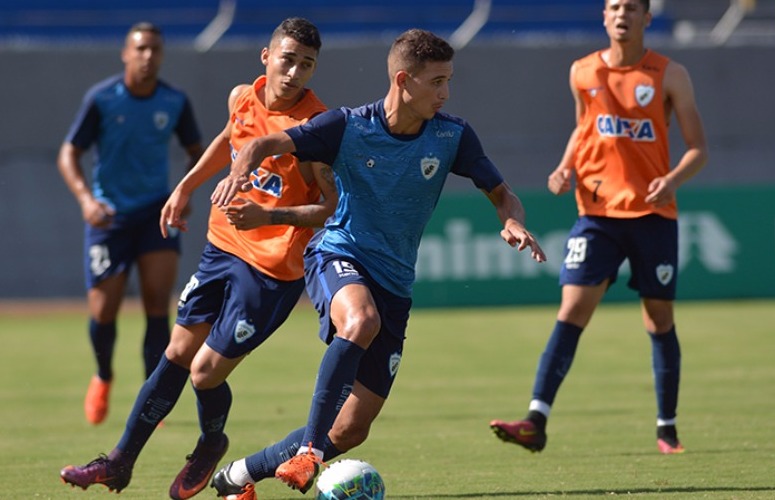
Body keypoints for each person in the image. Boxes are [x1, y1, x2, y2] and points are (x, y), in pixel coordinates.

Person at [206, 28, 547, 499]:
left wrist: (512, 221)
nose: (445, 93)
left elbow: (501, 193)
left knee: (349, 430)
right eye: (437, 82)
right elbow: (262, 145)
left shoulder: (452, 135)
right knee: (359, 320)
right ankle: (309, 451)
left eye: (449, 81)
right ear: (404, 80)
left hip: (395, 283)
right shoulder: (347, 126)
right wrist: (241, 166)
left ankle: (239, 475)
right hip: (337, 252)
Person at [60, 18, 335, 500]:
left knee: (206, 372)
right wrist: (185, 187)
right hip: (222, 248)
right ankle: (119, 462)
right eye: (287, 59)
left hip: (271, 271)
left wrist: (270, 213)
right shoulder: (242, 97)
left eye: (306, 65)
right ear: (266, 58)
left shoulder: (315, 128)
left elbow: (329, 207)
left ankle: (211, 443)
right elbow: (227, 142)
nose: (294, 73)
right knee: (176, 353)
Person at [489, 0, 708, 455]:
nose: (622, 14)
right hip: (596, 214)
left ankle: (667, 428)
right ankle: (536, 420)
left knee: (658, 318)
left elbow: (697, 149)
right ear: (604, 17)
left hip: (652, 216)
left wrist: (671, 180)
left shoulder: (670, 75)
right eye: (614, 6)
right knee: (571, 310)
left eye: (631, 7)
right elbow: (584, 127)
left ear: (646, 18)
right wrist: (564, 166)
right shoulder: (582, 72)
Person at [57, 21, 204, 426]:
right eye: (139, 49)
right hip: (110, 217)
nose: (147, 56)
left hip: (156, 213)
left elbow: (198, 152)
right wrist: (87, 200)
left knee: (158, 304)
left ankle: (151, 398)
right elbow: (69, 153)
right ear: (125, 53)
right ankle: (103, 376)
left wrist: (183, 193)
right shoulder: (102, 98)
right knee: (104, 310)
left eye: (154, 49)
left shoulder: (174, 101)